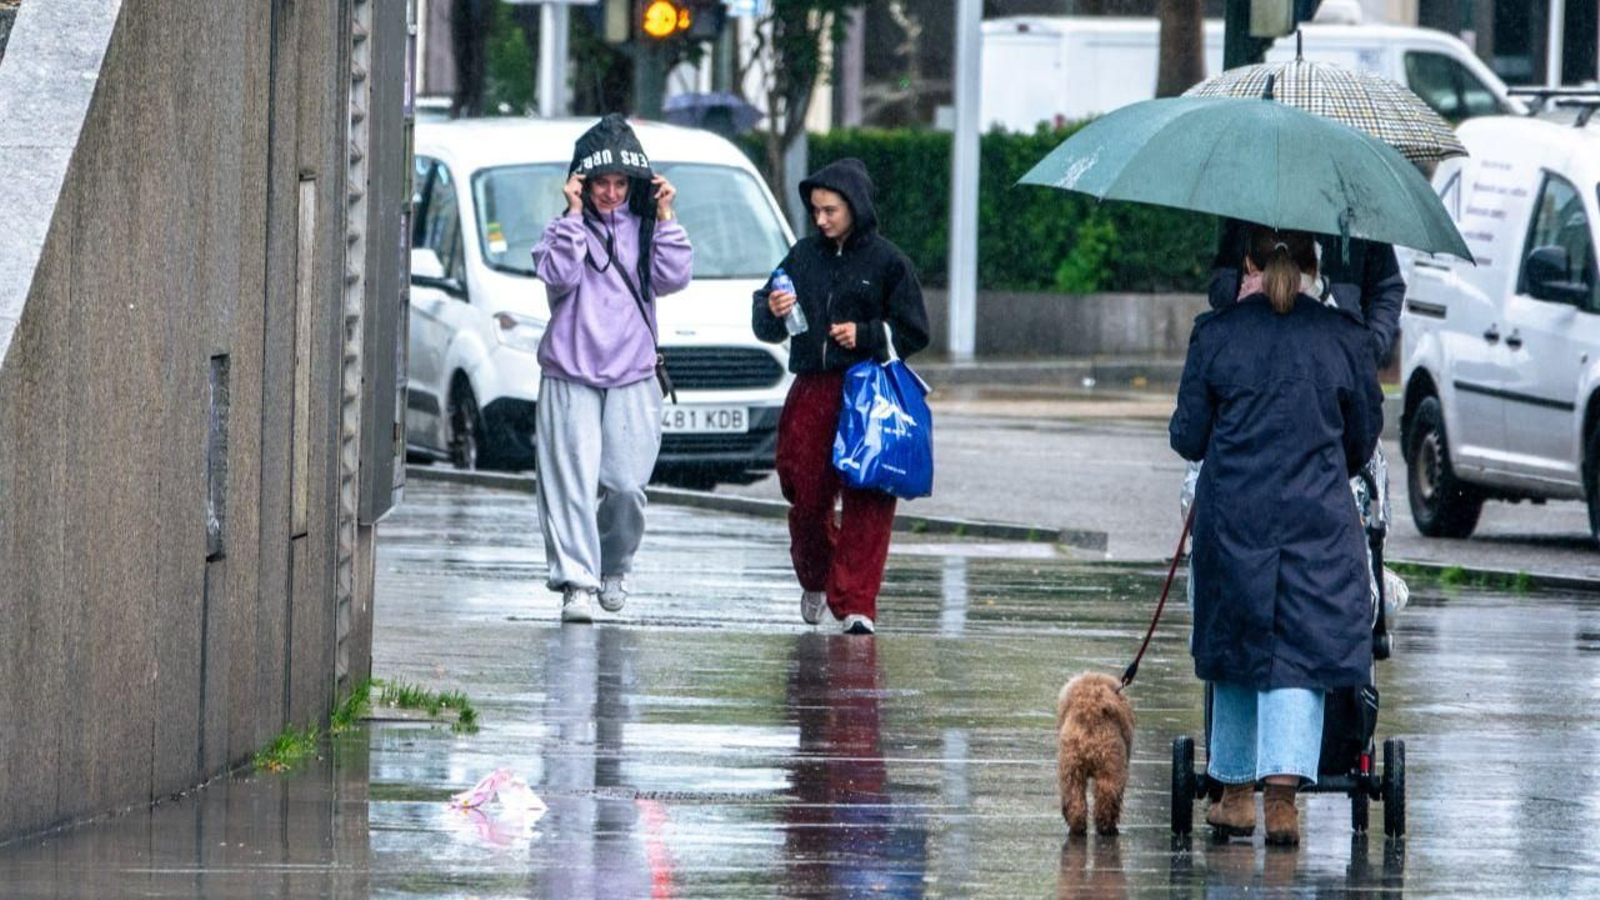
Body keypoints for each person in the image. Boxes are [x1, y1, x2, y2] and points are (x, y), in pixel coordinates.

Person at [1170, 226, 1384, 845]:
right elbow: (1360, 440)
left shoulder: (1216, 335)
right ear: (1316, 265)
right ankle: (1283, 804)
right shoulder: (1345, 338)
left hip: (1234, 518)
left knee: (1237, 643)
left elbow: (1188, 436)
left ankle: (1235, 794)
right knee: (1302, 653)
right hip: (1317, 521)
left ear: (1247, 263)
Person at [752, 158, 930, 636]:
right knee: (805, 494)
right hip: (813, 386)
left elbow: (915, 330)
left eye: (830, 210)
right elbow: (764, 318)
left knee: (869, 498)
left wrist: (867, 334)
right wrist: (771, 308)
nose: (821, 220)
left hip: (870, 390)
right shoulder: (802, 256)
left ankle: (856, 603)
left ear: (855, 207)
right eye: (815, 211)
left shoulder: (890, 262)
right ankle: (818, 577)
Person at [530, 114, 692, 624]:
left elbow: (673, 278)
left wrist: (665, 215)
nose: (612, 192)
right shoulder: (563, 229)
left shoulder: (648, 230)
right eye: (601, 182)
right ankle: (576, 581)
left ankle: (613, 565)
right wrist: (574, 215)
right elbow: (556, 274)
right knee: (570, 484)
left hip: (634, 374)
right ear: (582, 181)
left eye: (622, 183)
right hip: (569, 372)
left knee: (626, 486)